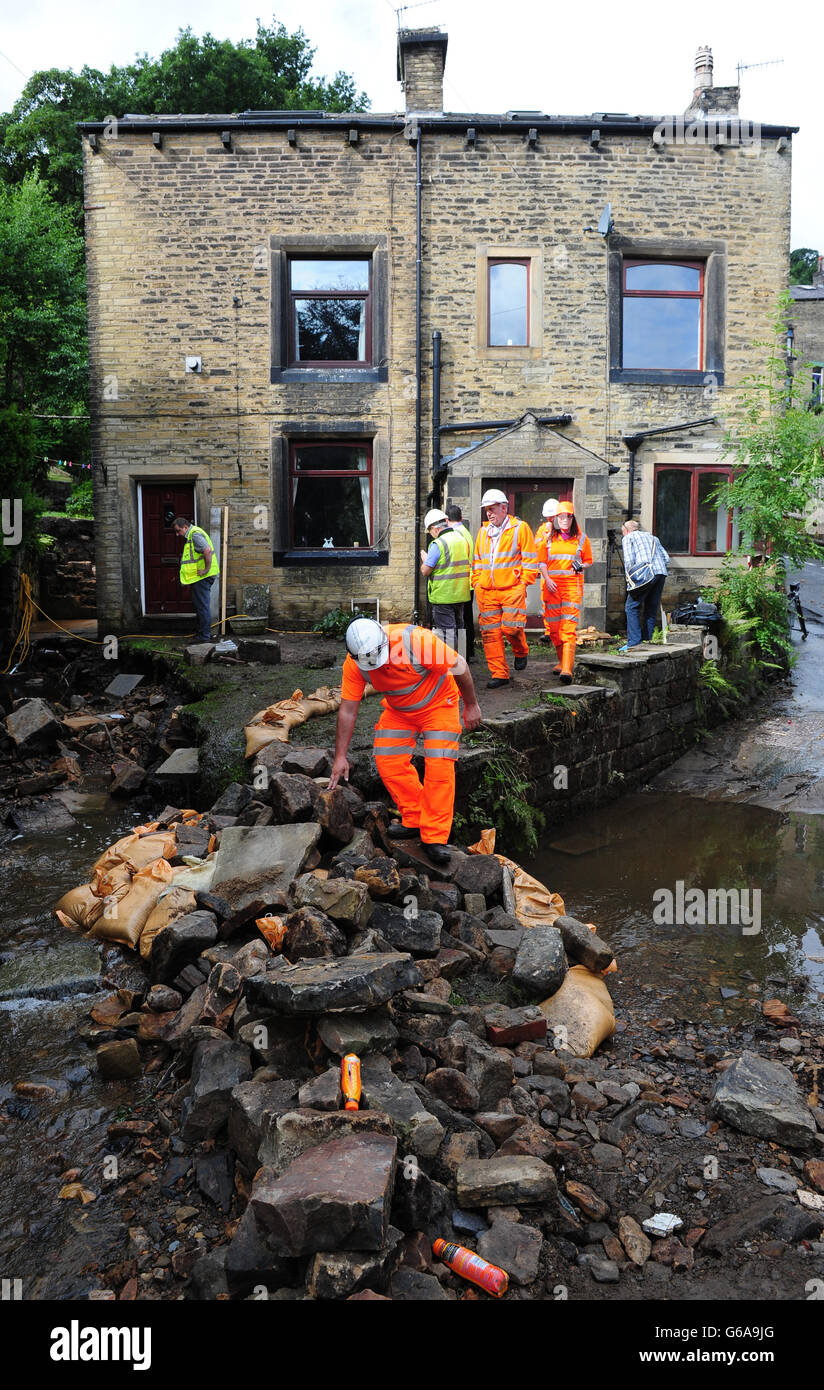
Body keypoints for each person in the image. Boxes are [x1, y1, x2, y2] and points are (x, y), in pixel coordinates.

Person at [328, 618, 482, 866]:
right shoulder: (355, 664)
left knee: (439, 765)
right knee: (388, 762)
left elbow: (460, 666)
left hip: (439, 705)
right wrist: (340, 757)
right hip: (400, 711)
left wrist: (472, 705)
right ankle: (415, 818)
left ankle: (434, 836)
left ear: (385, 642)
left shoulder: (416, 641)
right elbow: (347, 710)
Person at [471, 488, 538, 689]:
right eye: (486, 510)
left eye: (492, 509)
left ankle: (521, 651)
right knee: (490, 634)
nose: (489, 513)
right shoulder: (483, 532)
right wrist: (476, 582)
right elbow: (477, 560)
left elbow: (530, 559)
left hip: (512, 589)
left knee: (512, 628)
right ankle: (499, 674)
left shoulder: (520, 528)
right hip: (487, 591)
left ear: (504, 507)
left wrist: (523, 583)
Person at [537, 500, 593, 683]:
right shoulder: (547, 539)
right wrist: (547, 578)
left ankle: (567, 669)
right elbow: (542, 562)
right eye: (561, 517)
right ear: (555, 519)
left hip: (571, 588)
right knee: (554, 630)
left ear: (572, 519)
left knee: (568, 629)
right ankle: (562, 662)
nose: (564, 521)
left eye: (567, 517)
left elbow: (588, 561)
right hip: (552, 588)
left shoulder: (582, 539)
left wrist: (581, 565)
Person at [419, 508, 471, 656]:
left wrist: (425, 558)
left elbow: (425, 571)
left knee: (447, 634)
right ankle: (462, 663)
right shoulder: (463, 539)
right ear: (446, 522)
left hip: (443, 596)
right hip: (460, 594)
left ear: (434, 529)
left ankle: (451, 669)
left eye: (430, 531)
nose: (431, 534)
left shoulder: (438, 544)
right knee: (459, 630)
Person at [619, 519, 669, 649]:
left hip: (644, 575)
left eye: (622, 531)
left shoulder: (628, 538)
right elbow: (666, 558)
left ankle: (634, 643)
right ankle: (648, 640)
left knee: (631, 607)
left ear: (626, 530)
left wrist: (630, 581)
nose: (623, 534)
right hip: (661, 573)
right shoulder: (653, 538)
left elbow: (629, 561)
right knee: (651, 608)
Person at [173, 516, 219, 643]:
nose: (177, 534)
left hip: (202, 577)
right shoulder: (193, 534)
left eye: (178, 531)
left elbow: (207, 551)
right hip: (199, 578)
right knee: (200, 606)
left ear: (185, 527)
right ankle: (201, 634)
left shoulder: (195, 535)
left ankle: (204, 636)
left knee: (202, 606)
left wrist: (205, 570)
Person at [446, 504, 475, 658]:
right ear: (461, 518)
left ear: (446, 519)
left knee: (461, 621)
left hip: (461, 583)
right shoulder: (465, 532)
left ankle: (463, 653)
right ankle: (468, 651)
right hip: (468, 581)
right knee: (467, 620)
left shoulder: (454, 535)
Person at [534, 497, 559, 641]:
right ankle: (549, 632)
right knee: (546, 602)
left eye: (552, 516)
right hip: (546, 572)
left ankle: (559, 631)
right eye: (548, 517)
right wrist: (546, 537)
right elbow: (537, 548)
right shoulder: (542, 529)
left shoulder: (565, 529)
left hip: (561, 572)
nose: (549, 519)